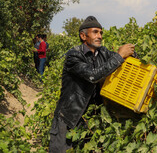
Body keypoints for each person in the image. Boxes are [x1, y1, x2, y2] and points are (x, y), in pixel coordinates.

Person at [49, 16, 135, 152]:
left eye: (101, 32)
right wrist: (119, 56)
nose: (99, 36)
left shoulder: (103, 52)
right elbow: (93, 75)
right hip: (69, 118)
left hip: (90, 119)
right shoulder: (74, 56)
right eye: (95, 32)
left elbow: (119, 59)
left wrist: (130, 53)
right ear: (83, 36)